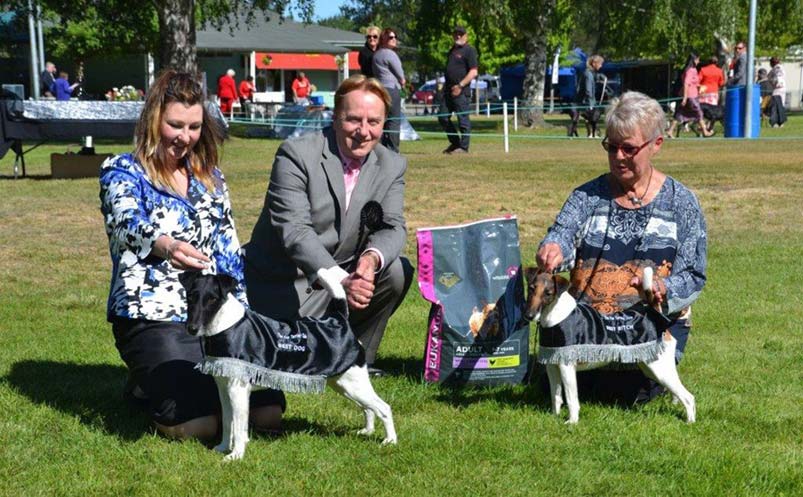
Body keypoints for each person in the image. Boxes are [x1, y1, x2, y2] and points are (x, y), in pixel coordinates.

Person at [99, 70, 285, 441]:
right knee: (197, 425)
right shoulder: (121, 171)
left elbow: (230, 249)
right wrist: (166, 245)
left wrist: (244, 317)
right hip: (153, 314)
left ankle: (173, 384)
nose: (185, 137)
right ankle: (143, 385)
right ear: (154, 120)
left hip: (217, 312)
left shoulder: (210, 177)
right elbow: (126, 222)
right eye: (175, 125)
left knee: (267, 413)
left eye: (195, 127)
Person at [537, 91, 707, 404]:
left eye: (628, 148)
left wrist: (662, 288)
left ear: (656, 145)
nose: (618, 156)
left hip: (648, 333)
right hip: (585, 333)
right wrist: (553, 247)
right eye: (611, 147)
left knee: (629, 394)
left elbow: (694, 274)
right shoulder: (585, 197)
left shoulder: (682, 202)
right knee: (573, 384)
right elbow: (562, 233)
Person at [243, 75, 414, 376]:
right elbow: (294, 230)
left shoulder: (392, 164)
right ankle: (306, 346)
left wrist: (369, 261)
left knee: (396, 270)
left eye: (374, 122)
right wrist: (341, 280)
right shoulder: (296, 154)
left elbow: (393, 227)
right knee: (283, 362)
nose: (364, 131)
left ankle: (355, 359)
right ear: (335, 117)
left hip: (340, 281)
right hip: (284, 286)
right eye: (353, 120)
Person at [439, 25, 478, 154]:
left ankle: (464, 147)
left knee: (463, 120)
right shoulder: (451, 51)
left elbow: (473, 72)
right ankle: (455, 143)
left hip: (461, 91)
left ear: (466, 36)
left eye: (461, 34)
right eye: (456, 34)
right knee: (443, 117)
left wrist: (460, 86)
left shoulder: (469, 50)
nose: (458, 36)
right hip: (448, 91)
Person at [372, 27, 406, 153]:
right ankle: (392, 150)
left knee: (381, 120)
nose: (394, 39)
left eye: (395, 37)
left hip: (379, 89)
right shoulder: (390, 54)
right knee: (393, 120)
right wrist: (403, 82)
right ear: (384, 39)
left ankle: (379, 148)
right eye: (391, 37)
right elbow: (400, 75)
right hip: (391, 89)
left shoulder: (377, 55)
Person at [667, 53, 714, 137]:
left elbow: (693, 83)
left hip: (692, 94)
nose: (699, 61)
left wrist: (700, 87)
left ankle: (670, 131)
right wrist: (685, 98)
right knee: (698, 112)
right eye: (697, 59)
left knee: (679, 113)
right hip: (690, 96)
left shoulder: (693, 70)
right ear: (693, 60)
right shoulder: (690, 70)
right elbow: (686, 84)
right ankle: (705, 132)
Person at [568, 54, 605, 138]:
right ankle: (592, 133)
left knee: (588, 118)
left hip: (585, 101)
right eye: (600, 63)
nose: (601, 66)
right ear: (594, 63)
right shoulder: (588, 74)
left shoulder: (588, 73)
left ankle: (591, 133)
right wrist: (591, 102)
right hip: (586, 101)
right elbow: (588, 89)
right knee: (592, 117)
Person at [767, 56, 787, 128]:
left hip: (778, 88)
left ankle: (775, 122)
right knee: (781, 105)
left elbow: (778, 78)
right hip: (781, 88)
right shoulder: (777, 68)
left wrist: (773, 82)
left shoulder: (777, 68)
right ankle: (780, 122)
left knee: (775, 105)